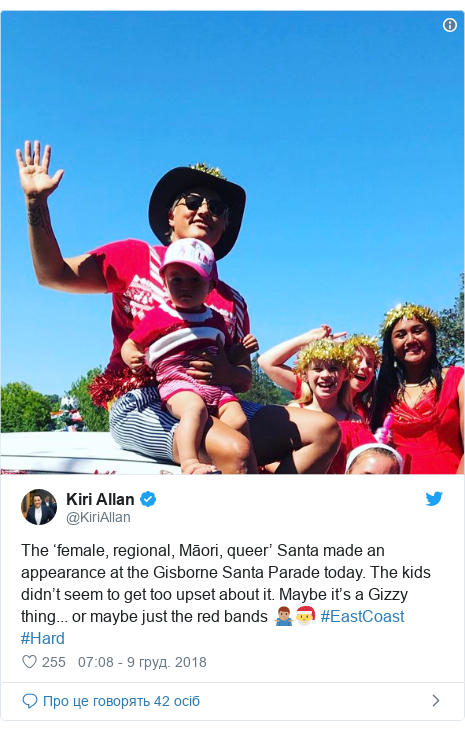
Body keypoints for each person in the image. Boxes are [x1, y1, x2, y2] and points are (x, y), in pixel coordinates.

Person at [16, 141, 340, 474]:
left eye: (216, 207)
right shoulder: (135, 257)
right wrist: (35, 203)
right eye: (194, 201)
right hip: (144, 400)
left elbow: (242, 375)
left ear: (225, 224)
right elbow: (51, 274)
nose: (204, 211)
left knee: (325, 431)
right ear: (171, 214)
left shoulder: (233, 301)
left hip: (217, 401)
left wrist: (228, 373)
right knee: (237, 451)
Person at [121, 238, 259, 474]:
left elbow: (226, 354)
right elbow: (131, 342)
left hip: (216, 385)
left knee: (238, 419)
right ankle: (189, 461)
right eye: (177, 279)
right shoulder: (160, 315)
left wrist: (242, 351)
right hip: (178, 381)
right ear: (165, 282)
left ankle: (252, 467)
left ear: (211, 287)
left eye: (195, 280)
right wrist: (132, 355)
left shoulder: (216, 319)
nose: (185, 286)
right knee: (194, 409)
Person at [259, 332, 375, 473]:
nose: (325, 375)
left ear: (346, 374)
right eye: (318, 368)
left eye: (334, 368)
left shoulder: (354, 421)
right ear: (304, 375)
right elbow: (267, 458)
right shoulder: (293, 413)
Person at [371, 303, 464, 474]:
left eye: (418, 330)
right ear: (391, 346)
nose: (411, 340)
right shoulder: (381, 394)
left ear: (432, 337)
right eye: (400, 335)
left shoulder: (458, 380)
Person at [345, 334, 381, 425]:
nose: (364, 366)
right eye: (357, 360)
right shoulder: (320, 399)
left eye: (369, 363)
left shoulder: (364, 413)